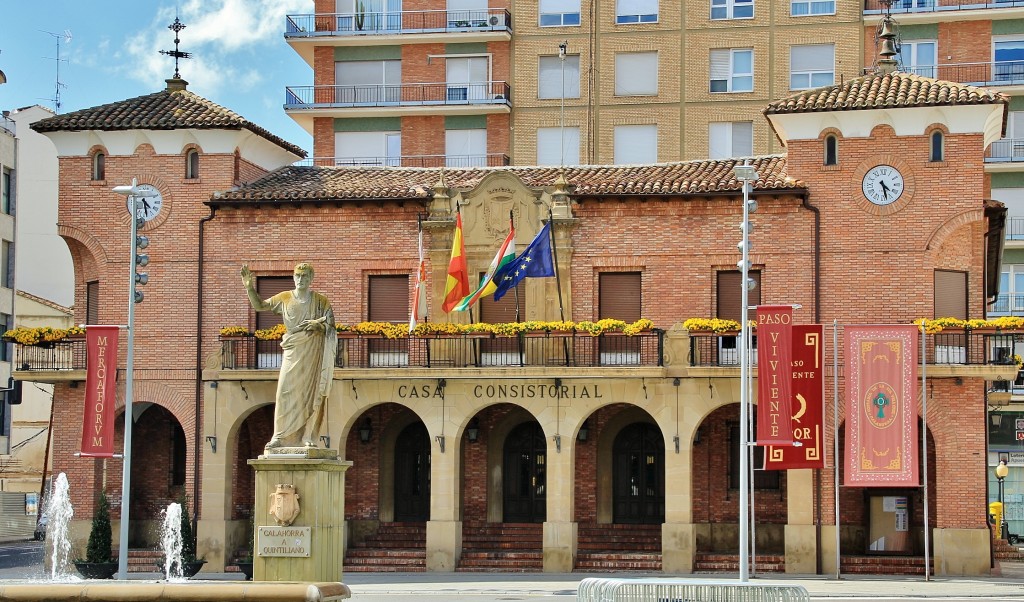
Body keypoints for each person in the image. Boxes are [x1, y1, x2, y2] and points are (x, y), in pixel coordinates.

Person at [241, 263, 337, 450]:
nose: (301, 280)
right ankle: (281, 436)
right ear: (293, 278)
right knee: (284, 392)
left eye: (305, 276)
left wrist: (320, 326)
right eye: (298, 276)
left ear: (311, 279)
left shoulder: (321, 301)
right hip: (293, 350)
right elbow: (260, 306)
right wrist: (249, 287)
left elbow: (331, 325)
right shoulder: (285, 298)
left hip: (313, 351)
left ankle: (307, 436)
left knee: (310, 394)